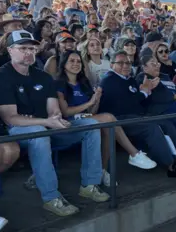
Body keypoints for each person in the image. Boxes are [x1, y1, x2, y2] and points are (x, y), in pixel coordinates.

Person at [0, 30, 109, 216]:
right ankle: (51, 198)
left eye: (32, 49)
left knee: (91, 126)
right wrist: (47, 121)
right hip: (17, 132)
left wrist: (56, 118)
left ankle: (90, 184)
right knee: (39, 133)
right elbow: (11, 118)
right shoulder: (2, 76)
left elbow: (53, 108)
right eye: (23, 48)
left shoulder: (43, 77)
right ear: (10, 50)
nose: (28, 52)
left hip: (47, 127)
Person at [55, 50, 157, 186]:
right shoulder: (59, 84)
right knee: (109, 118)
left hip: (85, 118)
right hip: (68, 123)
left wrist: (96, 100)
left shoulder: (84, 83)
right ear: (64, 64)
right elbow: (65, 112)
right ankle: (134, 154)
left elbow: (92, 112)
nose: (76, 64)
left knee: (108, 128)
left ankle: (102, 171)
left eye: (78, 61)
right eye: (72, 61)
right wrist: (90, 103)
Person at [99, 50, 176, 177]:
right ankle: (170, 165)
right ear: (112, 65)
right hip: (119, 119)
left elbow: (137, 100)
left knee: (166, 122)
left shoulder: (130, 80)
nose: (125, 65)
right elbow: (127, 103)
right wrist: (145, 91)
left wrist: (147, 91)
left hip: (138, 115)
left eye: (128, 63)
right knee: (152, 128)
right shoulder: (109, 80)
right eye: (120, 63)